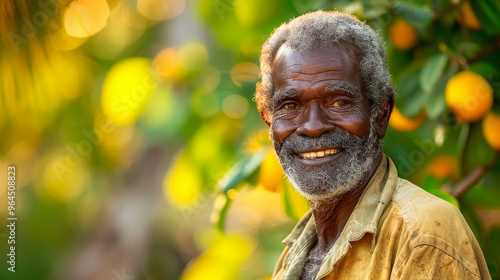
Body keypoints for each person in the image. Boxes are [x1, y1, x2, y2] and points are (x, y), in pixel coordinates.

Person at [254, 11, 491, 280]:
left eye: (339, 102)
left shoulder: (422, 234)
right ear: (269, 119)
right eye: (291, 105)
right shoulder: (298, 252)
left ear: (381, 113)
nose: (312, 126)